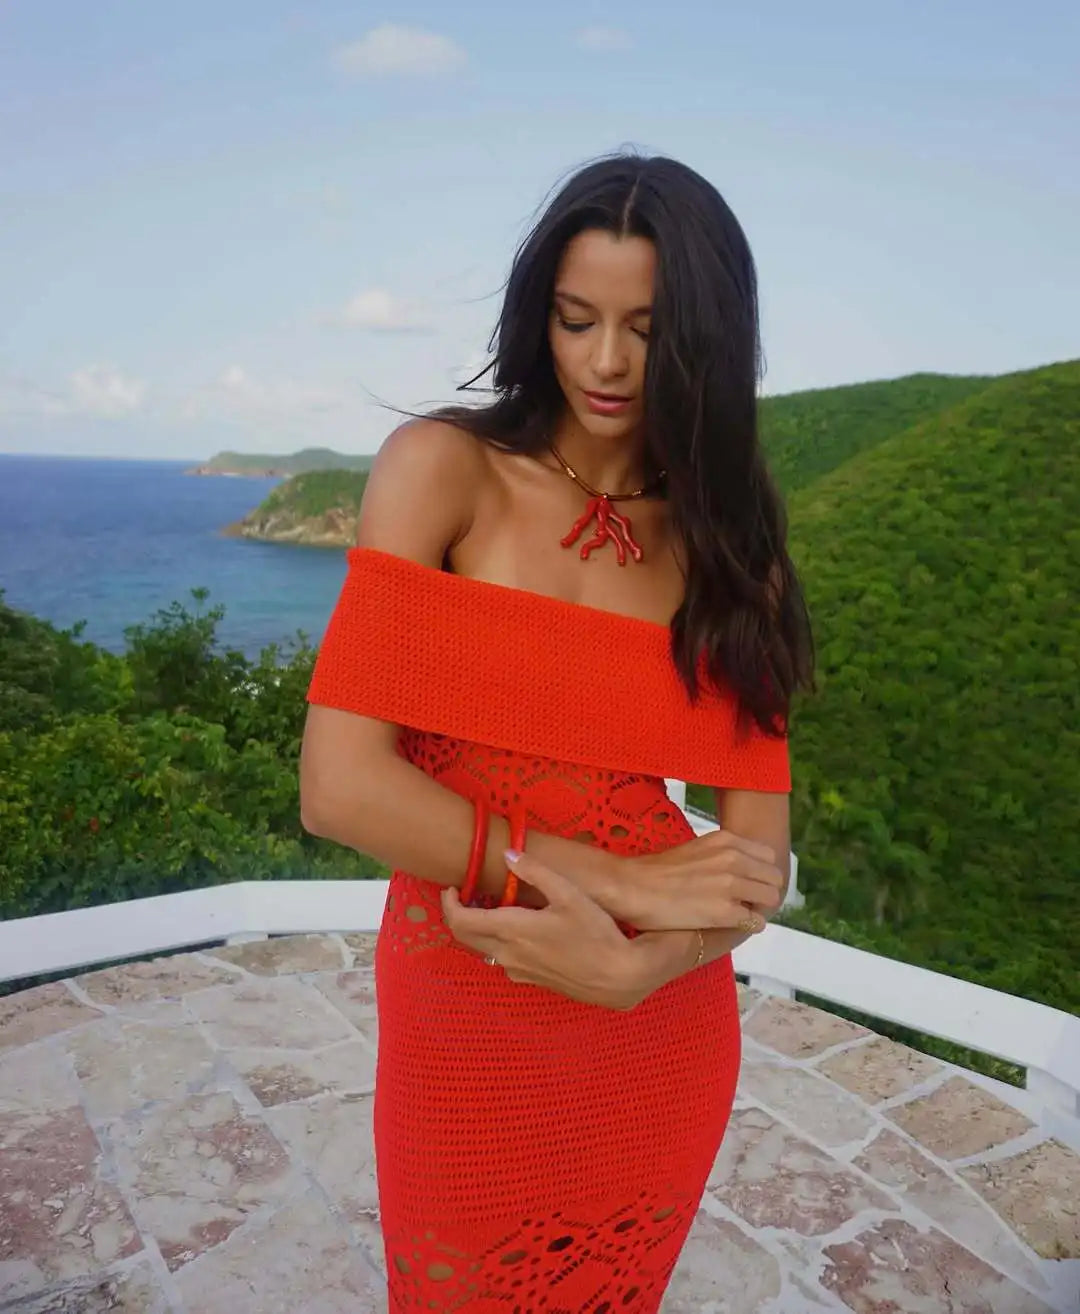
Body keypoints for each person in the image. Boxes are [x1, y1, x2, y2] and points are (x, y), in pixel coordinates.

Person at [300, 152, 814, 1313]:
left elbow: (756, 863)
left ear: (708, 340)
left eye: (648, 326)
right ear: (541, 313)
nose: (607, 360)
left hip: (660, 1032)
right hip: (466, 1003)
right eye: (577, 319)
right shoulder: (445, 471)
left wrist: (645, 965)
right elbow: (340, 788)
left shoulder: (734, 552)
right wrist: (616, 880)